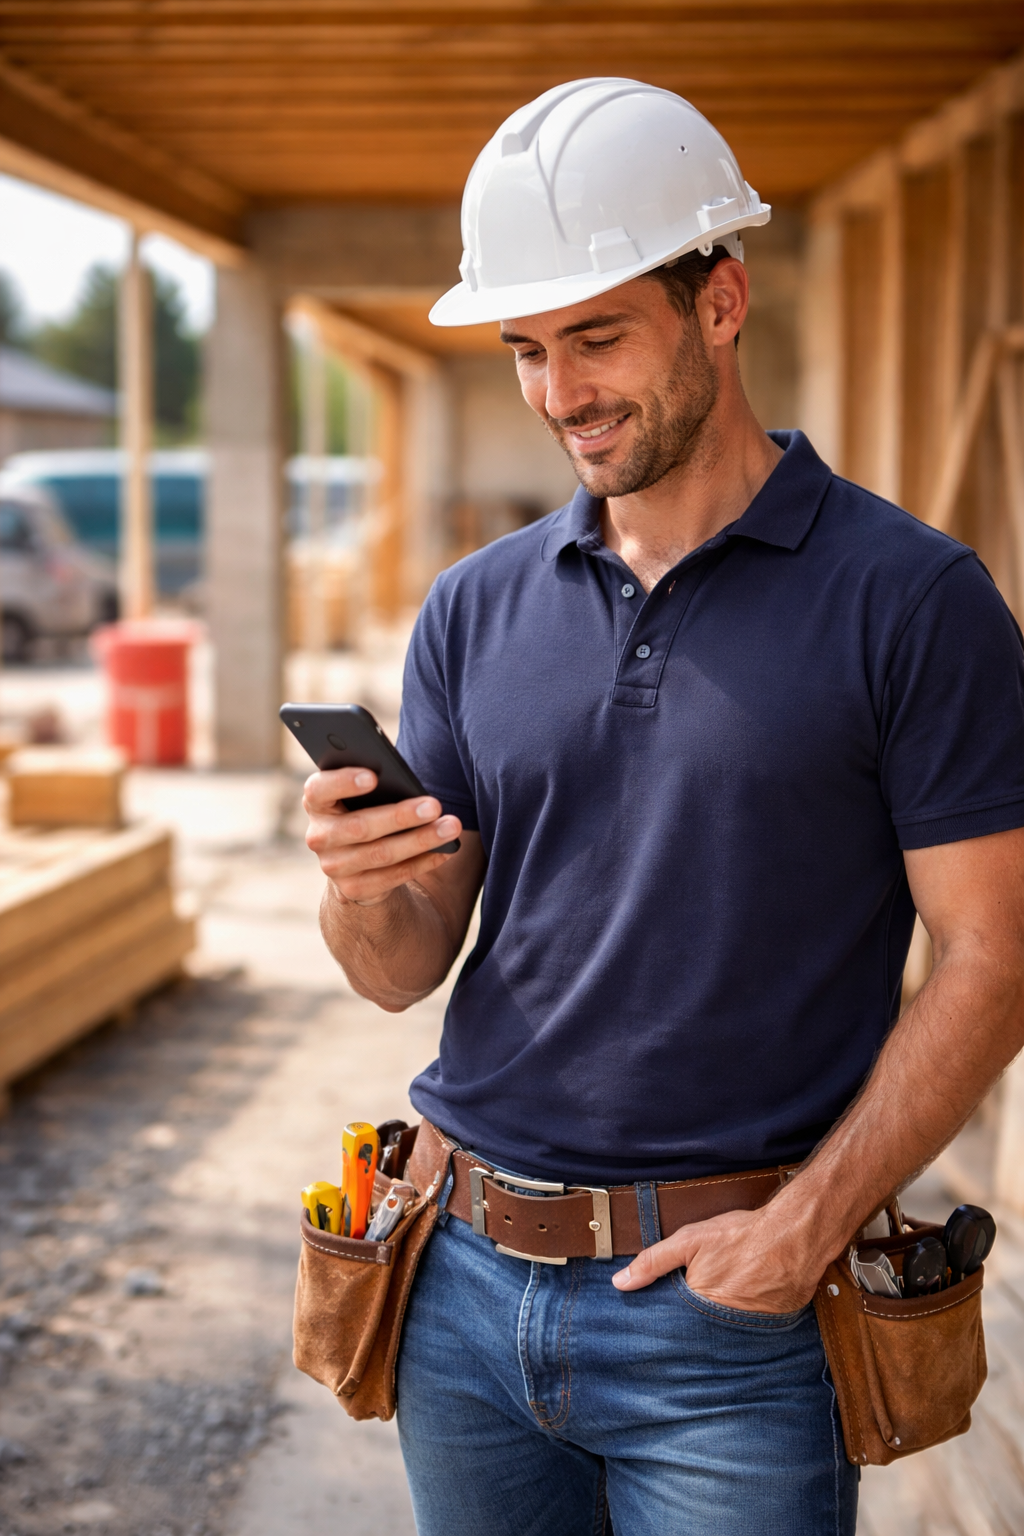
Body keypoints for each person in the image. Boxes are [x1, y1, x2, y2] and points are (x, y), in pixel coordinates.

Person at [302, 79, 1024, 1536]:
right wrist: (355, 877)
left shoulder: (911, 601)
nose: (560, 393)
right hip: (459, 1289)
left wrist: (807, 1230)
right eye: (525, 350)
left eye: (598, 337)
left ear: (722, 302)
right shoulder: (472, 609)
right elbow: (397, 976)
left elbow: (997, 955)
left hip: (732, 1324)